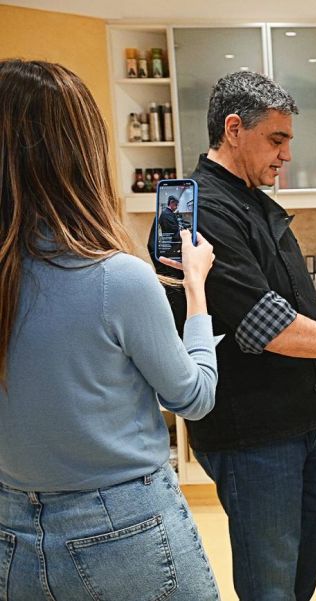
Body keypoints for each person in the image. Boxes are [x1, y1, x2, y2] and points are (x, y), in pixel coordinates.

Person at [149, 71, 316, 601]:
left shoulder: (253, 200)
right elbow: (268, 325)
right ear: (234, 129)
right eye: (276, 140)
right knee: (271, 581)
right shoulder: (203, 210)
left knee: (308, 556)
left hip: (302, 422)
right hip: (255, 435)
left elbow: (293, 304)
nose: (286, 155)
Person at [0, 60, 220, 600]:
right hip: (122, 528)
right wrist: (195, 290)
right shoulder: (115, 278)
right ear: (81, 153)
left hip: (10, 529)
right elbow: (193, 398)